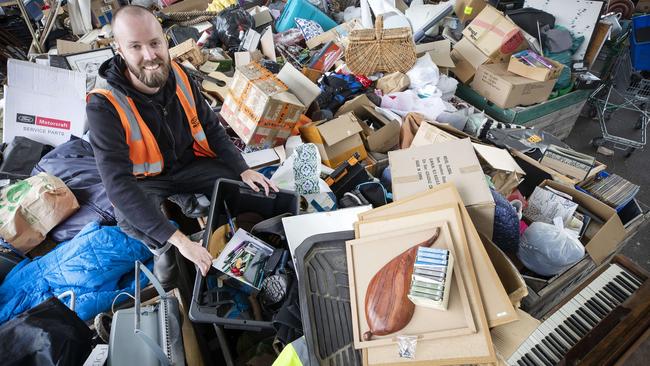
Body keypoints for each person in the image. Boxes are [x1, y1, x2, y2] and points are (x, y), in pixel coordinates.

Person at [86, 5, 278, 286]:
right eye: (136, 47)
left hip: (190, 165)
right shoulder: (104, 105)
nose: (150, 56)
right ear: (119, 49)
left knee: (240, 185)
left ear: (164, 39)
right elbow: (117, 184)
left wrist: (243, 169)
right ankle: (160, 247)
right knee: (127, 217)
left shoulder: (179, 72)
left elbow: (211, 126)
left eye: (154, 43)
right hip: (147, 180)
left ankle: (188, 201)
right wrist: (179, 241)